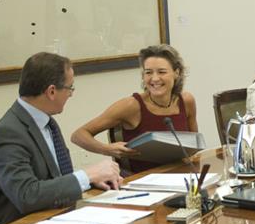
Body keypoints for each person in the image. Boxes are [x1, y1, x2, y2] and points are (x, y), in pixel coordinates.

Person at [0, 52, 122, 224]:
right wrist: (86, 175)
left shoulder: (47, 122)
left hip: (58, 216)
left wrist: (92, 179)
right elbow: (26, 195)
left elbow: (55, 177)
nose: (71, 95)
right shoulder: (7, 132)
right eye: (70, 88)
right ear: (51, 91)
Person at [71, 44, 199, 173]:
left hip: (181, 175)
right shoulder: (131, 106)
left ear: (176, 73)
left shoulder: (187, 101)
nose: (154, 78)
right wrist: (107, 149)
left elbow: (194, 146)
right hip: (141, 181)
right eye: (148, 72)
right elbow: (78, 135)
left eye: (162, 72)